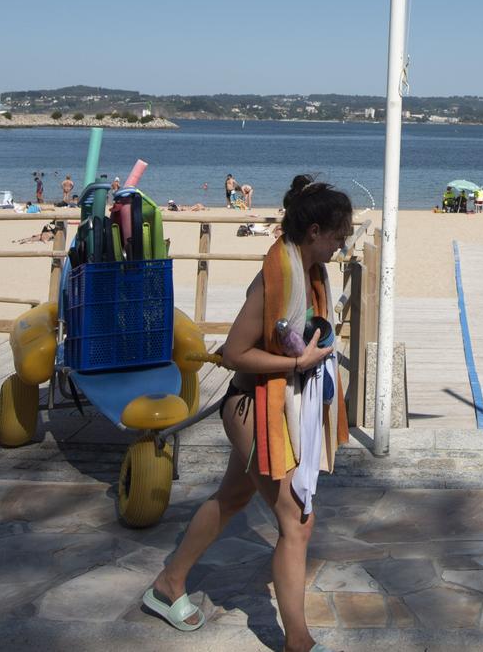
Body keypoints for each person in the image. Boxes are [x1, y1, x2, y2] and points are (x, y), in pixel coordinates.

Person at [145, 176, 351, 647]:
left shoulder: (310, 270)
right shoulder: (272, 278)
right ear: (315, 230)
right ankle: (298, 640)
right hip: (253, 405)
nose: (343, 245)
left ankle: (168, 584)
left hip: (277, 403)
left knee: (233, 498)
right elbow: (236, 352)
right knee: (298, 521)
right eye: (339, 236)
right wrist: (300, 361)